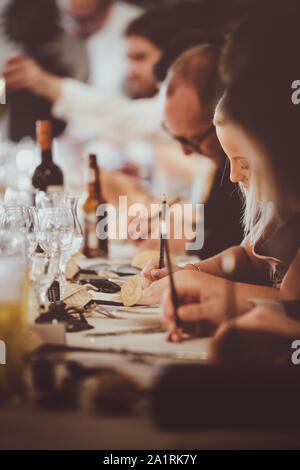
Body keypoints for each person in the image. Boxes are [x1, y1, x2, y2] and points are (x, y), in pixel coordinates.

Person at [145, 0, 300, 349]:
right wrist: (192, 273)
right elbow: (247, 258)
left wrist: (214, 292)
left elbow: (292, 305)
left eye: (246, 162)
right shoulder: (275, 207)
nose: (232, 176)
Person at [1, 0, 89, 142]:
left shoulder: (70, 53)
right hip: (16, 141)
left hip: (58, 139)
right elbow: (1, 102)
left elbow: (76, 100)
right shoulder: (9, 66)